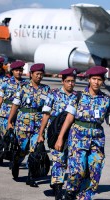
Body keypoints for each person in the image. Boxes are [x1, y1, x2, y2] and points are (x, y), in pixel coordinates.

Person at [55, 66, 110, 199]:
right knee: (78, 171)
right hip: (78, 139)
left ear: (103, 81)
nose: (96, 82)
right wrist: (60, 137)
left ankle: (84, 197)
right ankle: (70, 192)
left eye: (99, 79)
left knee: (95, 171)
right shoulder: (78, 97)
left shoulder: (106, 100)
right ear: (89, 79)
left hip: (97, 140)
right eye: (94, 79)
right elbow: (69, 117)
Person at [37, 68, 78, 199]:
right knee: (58, 159)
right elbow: (46, 114)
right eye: (68, 81)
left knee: (69, 160)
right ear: (63, 81)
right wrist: (40, 133)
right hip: (55, 130)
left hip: (72, 132)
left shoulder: (78, 96)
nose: (71, 84)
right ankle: (58, 186)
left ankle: (56, 182)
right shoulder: (53, 94)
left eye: (73, 81)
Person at [7, 63, 50, 187]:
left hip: (38, 125)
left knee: (34, 151)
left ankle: (31, 177)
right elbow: (15, 105)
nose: (39, 77)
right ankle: (16, 162)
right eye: (37, 74)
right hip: (22, 124)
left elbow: (48, 108)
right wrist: (10, 121)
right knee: (21, 150)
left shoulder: (46, 89)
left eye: (41, 74)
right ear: (31, 74)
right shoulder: (23, 87)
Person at [0, 60, 27, 137]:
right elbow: (0, 99)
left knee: (17, 137)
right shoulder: (6, 82)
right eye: (16, 71)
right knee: (4, 136)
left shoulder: (26, 84)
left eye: (20, 70)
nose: (19, 72)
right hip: (5, 114)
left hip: (19, 115)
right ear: (12, 71)